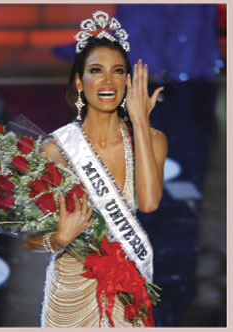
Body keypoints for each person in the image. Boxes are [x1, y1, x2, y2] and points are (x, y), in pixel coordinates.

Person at [24, 11, 167, 327]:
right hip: (69, 292)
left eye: (117, 71)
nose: (107, 81)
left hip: (126, 289)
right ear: (79, 80)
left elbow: (149, 203)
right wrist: (59, 239)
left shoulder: (153, 140)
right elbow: (30, 238)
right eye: (95, 70)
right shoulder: (55, 149)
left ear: (128, 80)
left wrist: (140, 123)